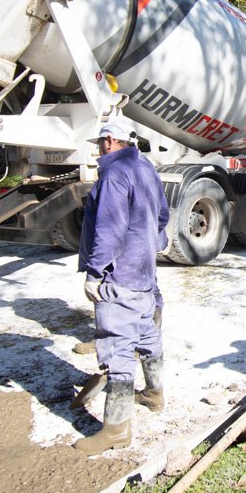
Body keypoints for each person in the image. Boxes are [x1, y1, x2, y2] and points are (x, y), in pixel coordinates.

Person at [72, 118, 170, 455]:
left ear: (110, 141)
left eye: (100, 143)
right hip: (144, 275)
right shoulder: (146, 168)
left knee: (117, 350)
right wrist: (147, 247)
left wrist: (95, 272)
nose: (98, 150)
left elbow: (110, 229)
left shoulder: (114, 174)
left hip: (119, 277)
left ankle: (116, 430)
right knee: (147, 336)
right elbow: (161, 217)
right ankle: (154, 394)